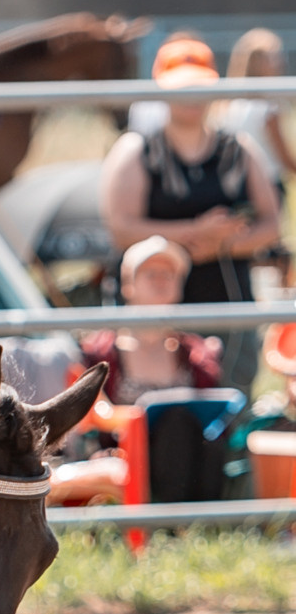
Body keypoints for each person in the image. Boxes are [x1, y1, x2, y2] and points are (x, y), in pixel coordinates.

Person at [100, 36, 281, 393]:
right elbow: (121, 230)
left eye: (199, 88)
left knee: (228, 399)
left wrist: (218, 246)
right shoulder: (138, 150)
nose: (192, 98)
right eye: (181, 88)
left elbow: (272, 224)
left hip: (226, 302)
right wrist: (195, 232)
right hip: (155, 317)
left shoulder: (238, 149)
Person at [80, 236, 221, 405]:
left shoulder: (198, 354)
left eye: (168, 274)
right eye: (151, 274)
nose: (160, 281)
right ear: (128, 284)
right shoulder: (98, 352)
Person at [215, 27, 296, 207]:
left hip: (234, 183)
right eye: (274, 56)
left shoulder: (227, 102)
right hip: (268, 180)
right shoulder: (269, 105)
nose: (281, 61)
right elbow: (281, 151)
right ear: (259, 61)